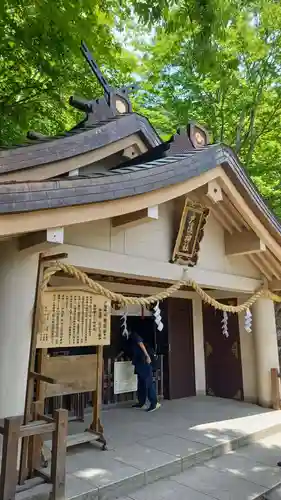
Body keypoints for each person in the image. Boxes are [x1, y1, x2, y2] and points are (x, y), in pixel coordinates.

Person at [129, 331, 160, 412]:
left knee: (148, 382)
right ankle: (141, 403)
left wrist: (147, 356)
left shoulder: (134, 335)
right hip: (138, 362)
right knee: (141, 383)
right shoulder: (128, 338)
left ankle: (154, 403)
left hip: (144, 361)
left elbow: (141, 343)